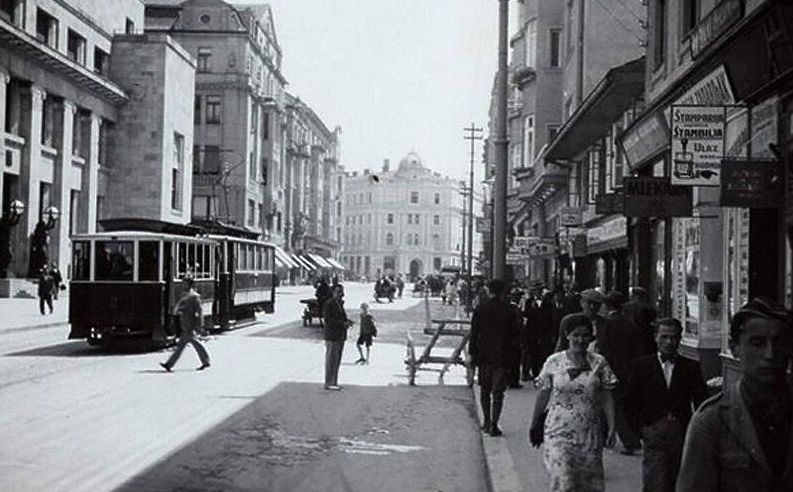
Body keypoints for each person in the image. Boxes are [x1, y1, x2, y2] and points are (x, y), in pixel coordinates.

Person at [677, 298, 793, 491]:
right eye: (758, 343)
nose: (770, 354)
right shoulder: (712, 421)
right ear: (735, 348)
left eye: (779, 342)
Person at [529, 313, 618, 492]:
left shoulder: (599, 362)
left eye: (585, 335)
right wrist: (534, 424)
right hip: (558, 431)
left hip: (589, 432)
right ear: (567, 335)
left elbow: (607, 397)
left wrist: (612, 426)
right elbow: (543, 395)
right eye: (575, 335)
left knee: (588, 483)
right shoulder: (554, 362)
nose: (580, 339)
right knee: (563, 480)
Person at [625, 317, 707, 491]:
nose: (669, 342)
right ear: (655, 337)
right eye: (664, 337)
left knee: (679, 480)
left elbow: (702, 402)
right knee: (655, 479)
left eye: (674, 337)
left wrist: (695, 431)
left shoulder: (690, 367)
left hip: (681, 433)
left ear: (680, 338)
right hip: (653, 432)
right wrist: (641, 429)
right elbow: (630, 400)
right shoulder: (641, 366)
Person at [469, 278, 521, 436]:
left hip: (484, 355)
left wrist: (472, 353)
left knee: (485, 390)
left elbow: (474, 334)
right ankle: (494, 424)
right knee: (498, 393)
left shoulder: (480, 308)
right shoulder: (509, 309)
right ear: (503, 291)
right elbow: (516, 334)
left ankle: (486, 421)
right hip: (502, 356)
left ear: (488, 289)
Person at [599, 290, 643, 455]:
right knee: (616, 403)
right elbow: (638, 349)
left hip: (611, 368)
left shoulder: (607, 324)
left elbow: (604, 348)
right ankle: (603, 436)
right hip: (628, 368)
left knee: (614, 405)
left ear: (607, 305)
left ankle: (630, 442)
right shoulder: (630, 324)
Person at [160, 276, 210, 372]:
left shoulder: (194, 296)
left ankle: (169, 364)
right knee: (187, 345)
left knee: (189, 344)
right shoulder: (185, 295)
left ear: (189, 284)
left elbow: (199, 312)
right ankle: (205, 361)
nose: (182, 285)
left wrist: (200, 325)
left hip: (190, 324)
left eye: (184, 283)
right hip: (185, 323)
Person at [322, 284, 353, 390]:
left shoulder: (340, 304)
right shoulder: (329, 304)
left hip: (340, 335)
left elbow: (342, 317)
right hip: (332, 336)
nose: (340, 294)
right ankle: (328, 382)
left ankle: (334, 381)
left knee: (337, 360)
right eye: (338, 292)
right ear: (333, 292)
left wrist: (347, 322)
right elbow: (328, 320)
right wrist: (342, 324)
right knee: (331, 360)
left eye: (341, 292)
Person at [622, 287, 658, 356]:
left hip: (629, 337)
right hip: (644, 338)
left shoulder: (626, 307)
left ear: (635, 295)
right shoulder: (648, 307)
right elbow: (652, 321)